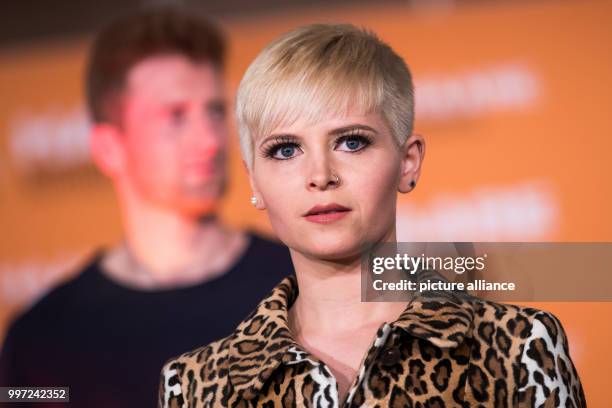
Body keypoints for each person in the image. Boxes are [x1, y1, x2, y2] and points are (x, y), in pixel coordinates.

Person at [158, 23, 586, 407]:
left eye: (351, 142)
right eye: (286, 150)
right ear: (254, 182)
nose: (320, 176)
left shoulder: (519, 349)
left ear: (408, 162)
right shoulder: (197, 386)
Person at [0, 6, 293, 408]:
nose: (209, 139)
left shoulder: (301, 288)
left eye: (214, 110)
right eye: (175, 117)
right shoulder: (42, 340)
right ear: (108, 147)